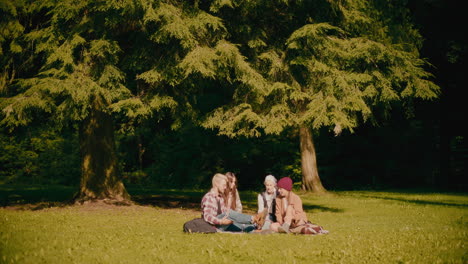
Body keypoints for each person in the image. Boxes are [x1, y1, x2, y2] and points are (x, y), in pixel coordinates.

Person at [201, 173, 267, 232]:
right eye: (224, 185)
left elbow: (225, 213)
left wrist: (230, 219)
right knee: (228, 212)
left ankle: (255, 226)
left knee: (239, 225)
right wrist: (221, 221)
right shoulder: (209, 197)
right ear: (216, 184)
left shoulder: (220, 197)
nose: (225, 187)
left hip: (220, 224)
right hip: (213, 226)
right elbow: (207, 216)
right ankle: (254, 218)